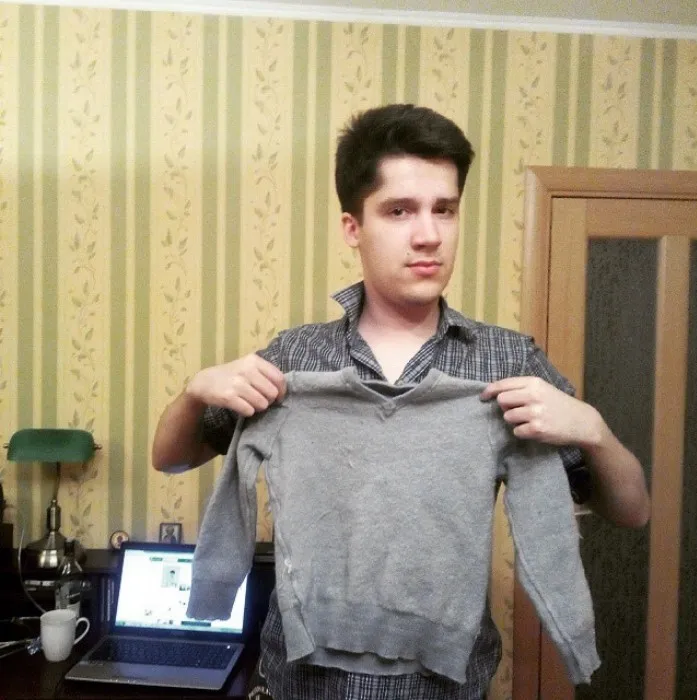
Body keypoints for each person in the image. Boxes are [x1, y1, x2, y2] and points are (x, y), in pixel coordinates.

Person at [152, 103, 650, 700]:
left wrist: (593, 428)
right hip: (300, 681)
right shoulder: (294, 360)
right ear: (353, 227)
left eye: (445, 209)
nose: (429, 234)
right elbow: (170, 459)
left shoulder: (508, 364)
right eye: (399, 210)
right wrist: (194, 393)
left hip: (444, 684)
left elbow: (632, 511)